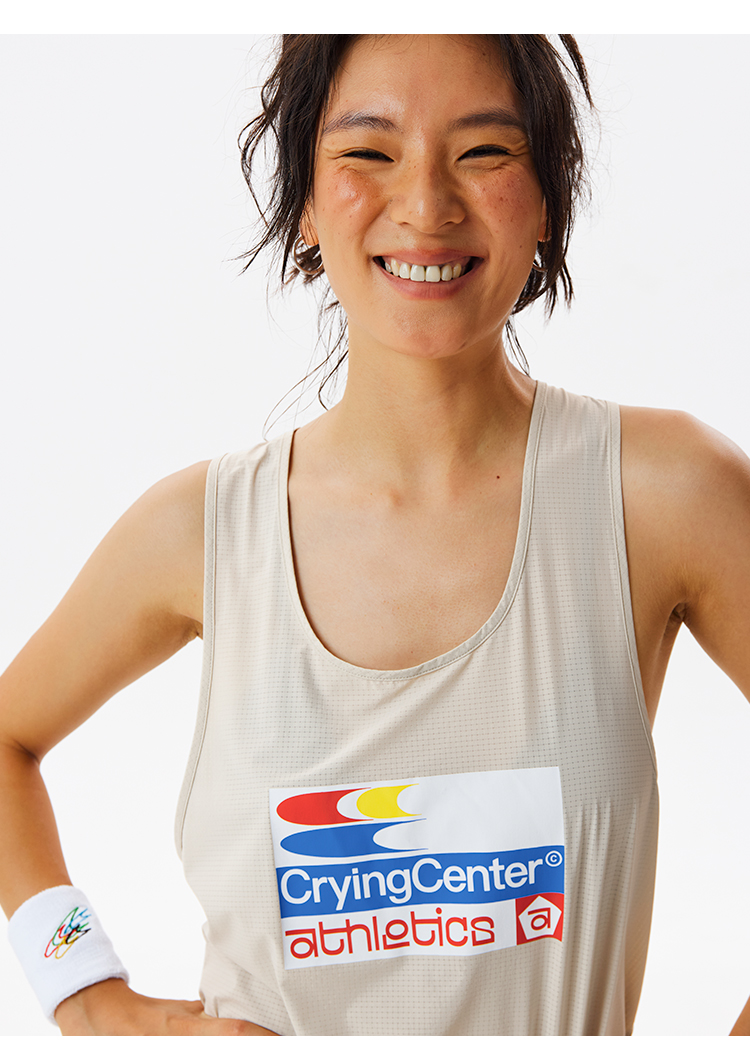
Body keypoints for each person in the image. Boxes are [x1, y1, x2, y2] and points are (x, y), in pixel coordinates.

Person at [1, 33, 749, 1037]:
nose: (427, 205)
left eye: (483, 151)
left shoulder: (658, 492)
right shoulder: (202, 530)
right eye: (368, 151)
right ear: (306, 202)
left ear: (546, 196)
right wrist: (87, 996)